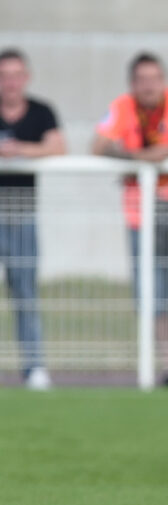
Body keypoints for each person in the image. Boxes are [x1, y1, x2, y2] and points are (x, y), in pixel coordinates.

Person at [92, 52, 168, 387]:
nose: (148, 86)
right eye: (141, 79)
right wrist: (137, 158)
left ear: (164, 80)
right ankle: (167, 368)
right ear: (132, 83)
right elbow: (98, 144)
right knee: (152, 297)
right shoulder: (123, 106)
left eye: (154, 78)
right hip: (140, 216)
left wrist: (138, 159)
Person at [0, 48, 67, 390]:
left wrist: (20, 150)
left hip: (22, 215)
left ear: (26, 78)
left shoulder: (41, 112)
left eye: (16, 75)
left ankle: (34, 367)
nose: (10, 82)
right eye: (4, 75)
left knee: (25, 291)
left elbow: (58, 147)